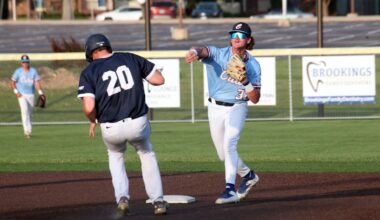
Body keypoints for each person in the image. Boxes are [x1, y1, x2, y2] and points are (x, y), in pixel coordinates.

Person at [77, 33, 168, 215]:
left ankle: (123, 198)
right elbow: (159, 80)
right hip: (138, 123)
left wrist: (92, 120)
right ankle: (158, 202)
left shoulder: (89, 72)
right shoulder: (130, 57)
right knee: (146, 153)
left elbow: (88, 108)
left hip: (111, 127)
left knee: (115, 155)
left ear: (90, 52)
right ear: (108, 46)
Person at [185, 22, 261, 204]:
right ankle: (249, 175)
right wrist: (195, 52)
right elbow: (204, 50)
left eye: (241, 35)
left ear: (248, 40)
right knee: (223, 154)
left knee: (229, 145)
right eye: (234, 34)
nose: (236, 37)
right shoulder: (219, 54)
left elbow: (255, 98)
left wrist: (245, 81)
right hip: (215, 107)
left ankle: (229, 190)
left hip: (237, 107)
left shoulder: (253, 65)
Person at [11, 55, 44, 139]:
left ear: (29, 62)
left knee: (29, 113)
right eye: (23, 62)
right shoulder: (18, 71)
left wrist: (40, 93)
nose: (25, 63)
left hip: (31, 94)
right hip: (21, 94)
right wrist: (16, 92)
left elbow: (36, 82)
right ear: (21, 63)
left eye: (26, 62)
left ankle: (29, 130)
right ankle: (26, 131)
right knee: (24, 110)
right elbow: (13, 82)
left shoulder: (33, 71)